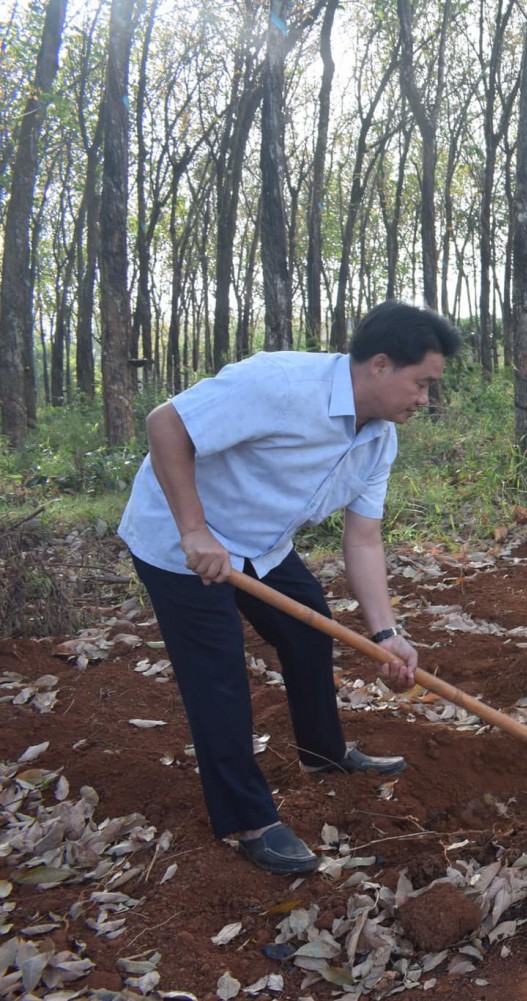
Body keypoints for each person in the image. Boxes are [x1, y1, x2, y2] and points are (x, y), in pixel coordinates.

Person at [118, 301, 462, 875]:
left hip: (261, 544)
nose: (425, 400)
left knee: (307, 632)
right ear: (380, 365)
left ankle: (322, 754)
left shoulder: (378, 440)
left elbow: (364, 539)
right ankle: (249, 819)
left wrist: (387, 633)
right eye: (422, 384)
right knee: (219, 679)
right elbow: (166, 423)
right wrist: (194, 529)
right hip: (179, 540)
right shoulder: (279, 383)